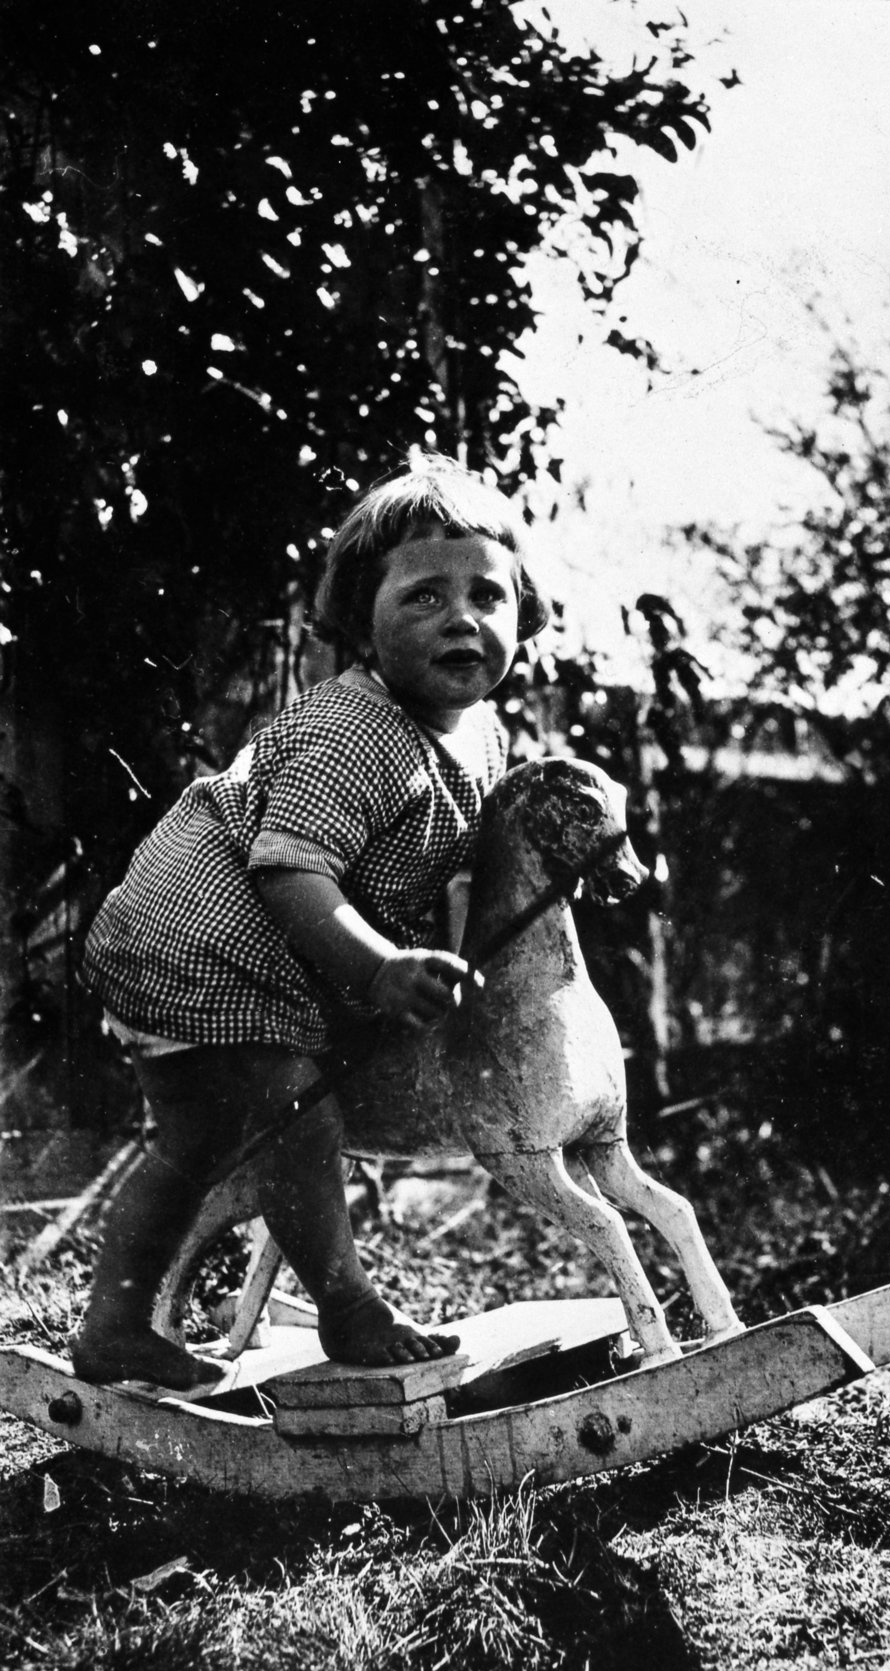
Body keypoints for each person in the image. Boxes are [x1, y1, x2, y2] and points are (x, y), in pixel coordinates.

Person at [73, 458, 549, 1391]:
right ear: (359, 622)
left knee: (195, 1144)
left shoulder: (482, 735)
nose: (461, 618)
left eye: (488, 594)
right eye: (422, 598)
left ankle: (114, 1326)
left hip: (230, 951)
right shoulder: (353, 731)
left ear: (523, 614)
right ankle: (348, 1304)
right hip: (200, 938)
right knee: (299, 1106)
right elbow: (290, 868)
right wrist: (376, 971)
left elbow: (461, 872)